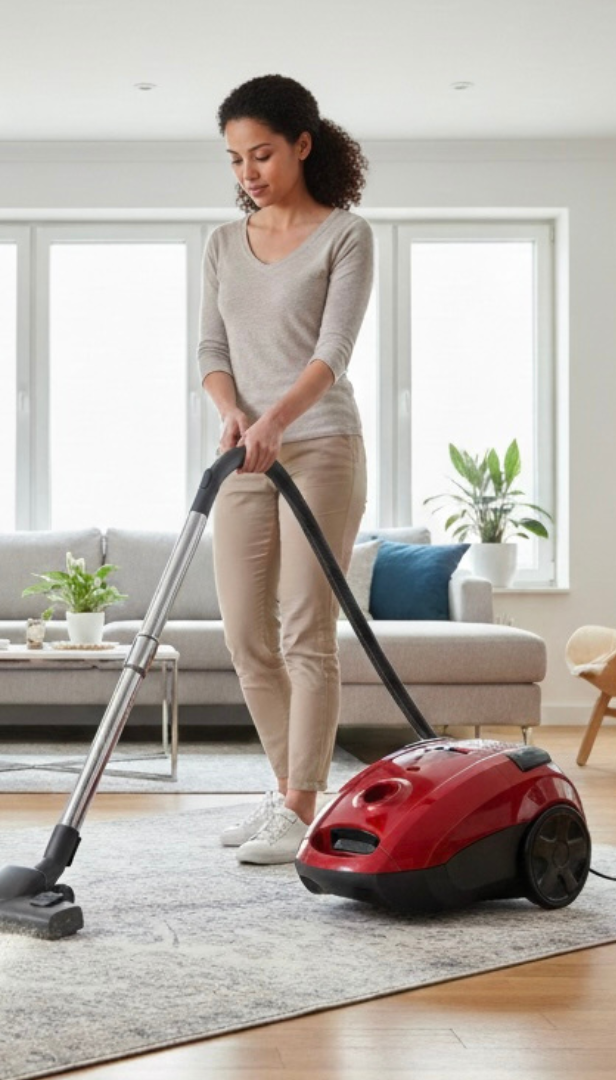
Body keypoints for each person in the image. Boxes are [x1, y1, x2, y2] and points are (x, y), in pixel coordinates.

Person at [198, 74, 375, 865]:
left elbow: (330, 355)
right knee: (244, 631)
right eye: (236, 159)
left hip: (320, 444)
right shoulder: (221, 244)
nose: (248, 173)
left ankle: (301, 802)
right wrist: (233, 412)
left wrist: (275, 419)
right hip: (243, 449)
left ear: (303, 144)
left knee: (308, 629)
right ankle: (289, 794)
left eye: (261, 154)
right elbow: (210, 352)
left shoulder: (346, 235)